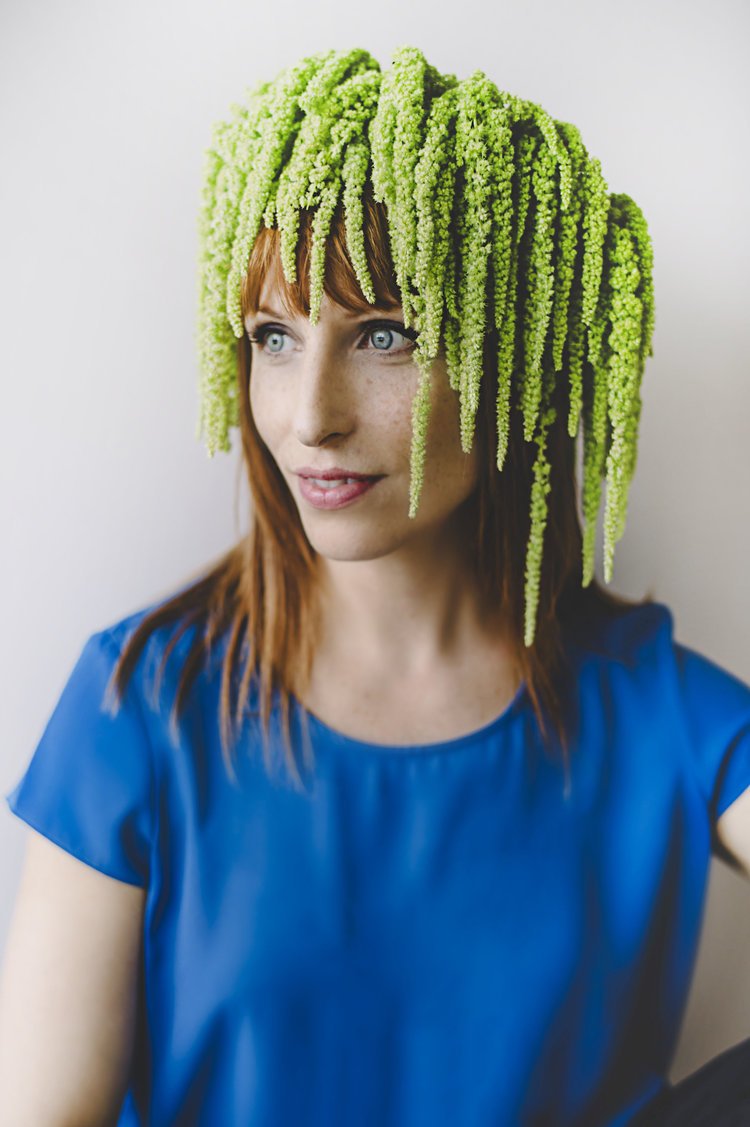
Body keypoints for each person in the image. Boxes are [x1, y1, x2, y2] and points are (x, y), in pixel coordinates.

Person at [0, 44, 749, 1127]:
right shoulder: (141, 704)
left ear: (526, 360)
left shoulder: (660, 711)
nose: (311, 415)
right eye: (274, 336)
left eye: (385, 336)